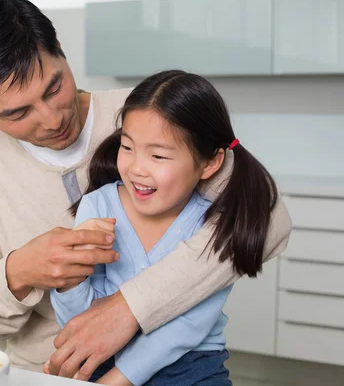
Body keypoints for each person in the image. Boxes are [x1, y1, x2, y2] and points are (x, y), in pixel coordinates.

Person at [0, 0, 292, 380]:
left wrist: (131, 308)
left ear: (61, 50)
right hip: (47, 371)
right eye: (18, 112)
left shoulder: (145, 113)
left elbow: (268, 220)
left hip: (175, 363)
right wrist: (20, 272)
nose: (52, 119)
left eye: (54, 87)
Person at [49, 70, 278, 386]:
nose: (137, 168)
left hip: (190, 367)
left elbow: (189, 325)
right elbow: (80, 323)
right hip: (102, 359)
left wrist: (119, 379)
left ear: (209, 163)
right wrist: (72, 277)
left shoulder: (214, 223)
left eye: (158, 155)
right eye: (127, 148)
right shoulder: (98, 206)